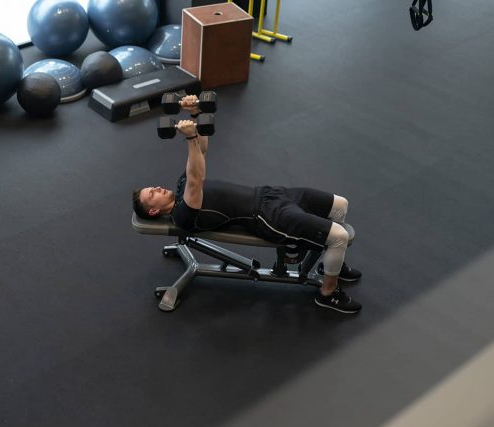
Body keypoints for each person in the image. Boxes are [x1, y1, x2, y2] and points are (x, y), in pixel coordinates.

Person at [133, 95, 362, 314]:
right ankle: (327, 292)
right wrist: (191, 137)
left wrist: (195, 112)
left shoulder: (179, 186)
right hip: (268, 217)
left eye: (153, 187)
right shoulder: (182, 215)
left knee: (340, 205)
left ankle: (332, 265)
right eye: (152, 194)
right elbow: (196, 177)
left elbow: (200, 150)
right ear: (154, 210)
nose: (157, 188)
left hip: (270, 194)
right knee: (339, 237)